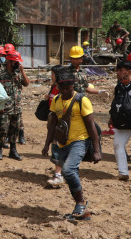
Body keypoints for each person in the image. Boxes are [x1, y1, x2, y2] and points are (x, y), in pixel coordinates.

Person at [42, 69, 101, 220]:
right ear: (58, 88)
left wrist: (97, 149)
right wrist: (47, 144)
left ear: (73, 86)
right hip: (62, 143)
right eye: (63, 89)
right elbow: (52, 125)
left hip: (80, 141)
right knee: (70, 175)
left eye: (70, 88)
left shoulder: (82, 100)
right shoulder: (56, 101)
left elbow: (91, 126)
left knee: (68, 171)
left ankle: (80, 203)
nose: (67, 91)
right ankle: (83, 211)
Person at [0, 50, 29, 161]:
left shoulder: (18, 74)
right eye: (15, 62)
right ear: (9, 62)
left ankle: (13, 151)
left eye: (18, 62)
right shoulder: (0, 75)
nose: (17, 64)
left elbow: (27, 83)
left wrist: (22, 71)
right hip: (5, 108)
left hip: (17, 107)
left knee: (15, 129)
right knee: (2, 129)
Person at [110, 61, 131, 181]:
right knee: (118, 145)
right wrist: (111, 117)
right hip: (122, 122)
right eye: (117, 71)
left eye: (121, 70)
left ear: (129, 72)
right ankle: (123, 172)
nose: (118, 73)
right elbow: (115, 103)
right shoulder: (119, 87)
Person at [45, 65, 65, 186]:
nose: (51, 77)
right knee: (56, 146)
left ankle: (59, 174)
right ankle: (61, 172)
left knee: (58, 147)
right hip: (53, 121)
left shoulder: (64, 89)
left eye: (52, 74)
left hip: (61, 123)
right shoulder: (54, 87)